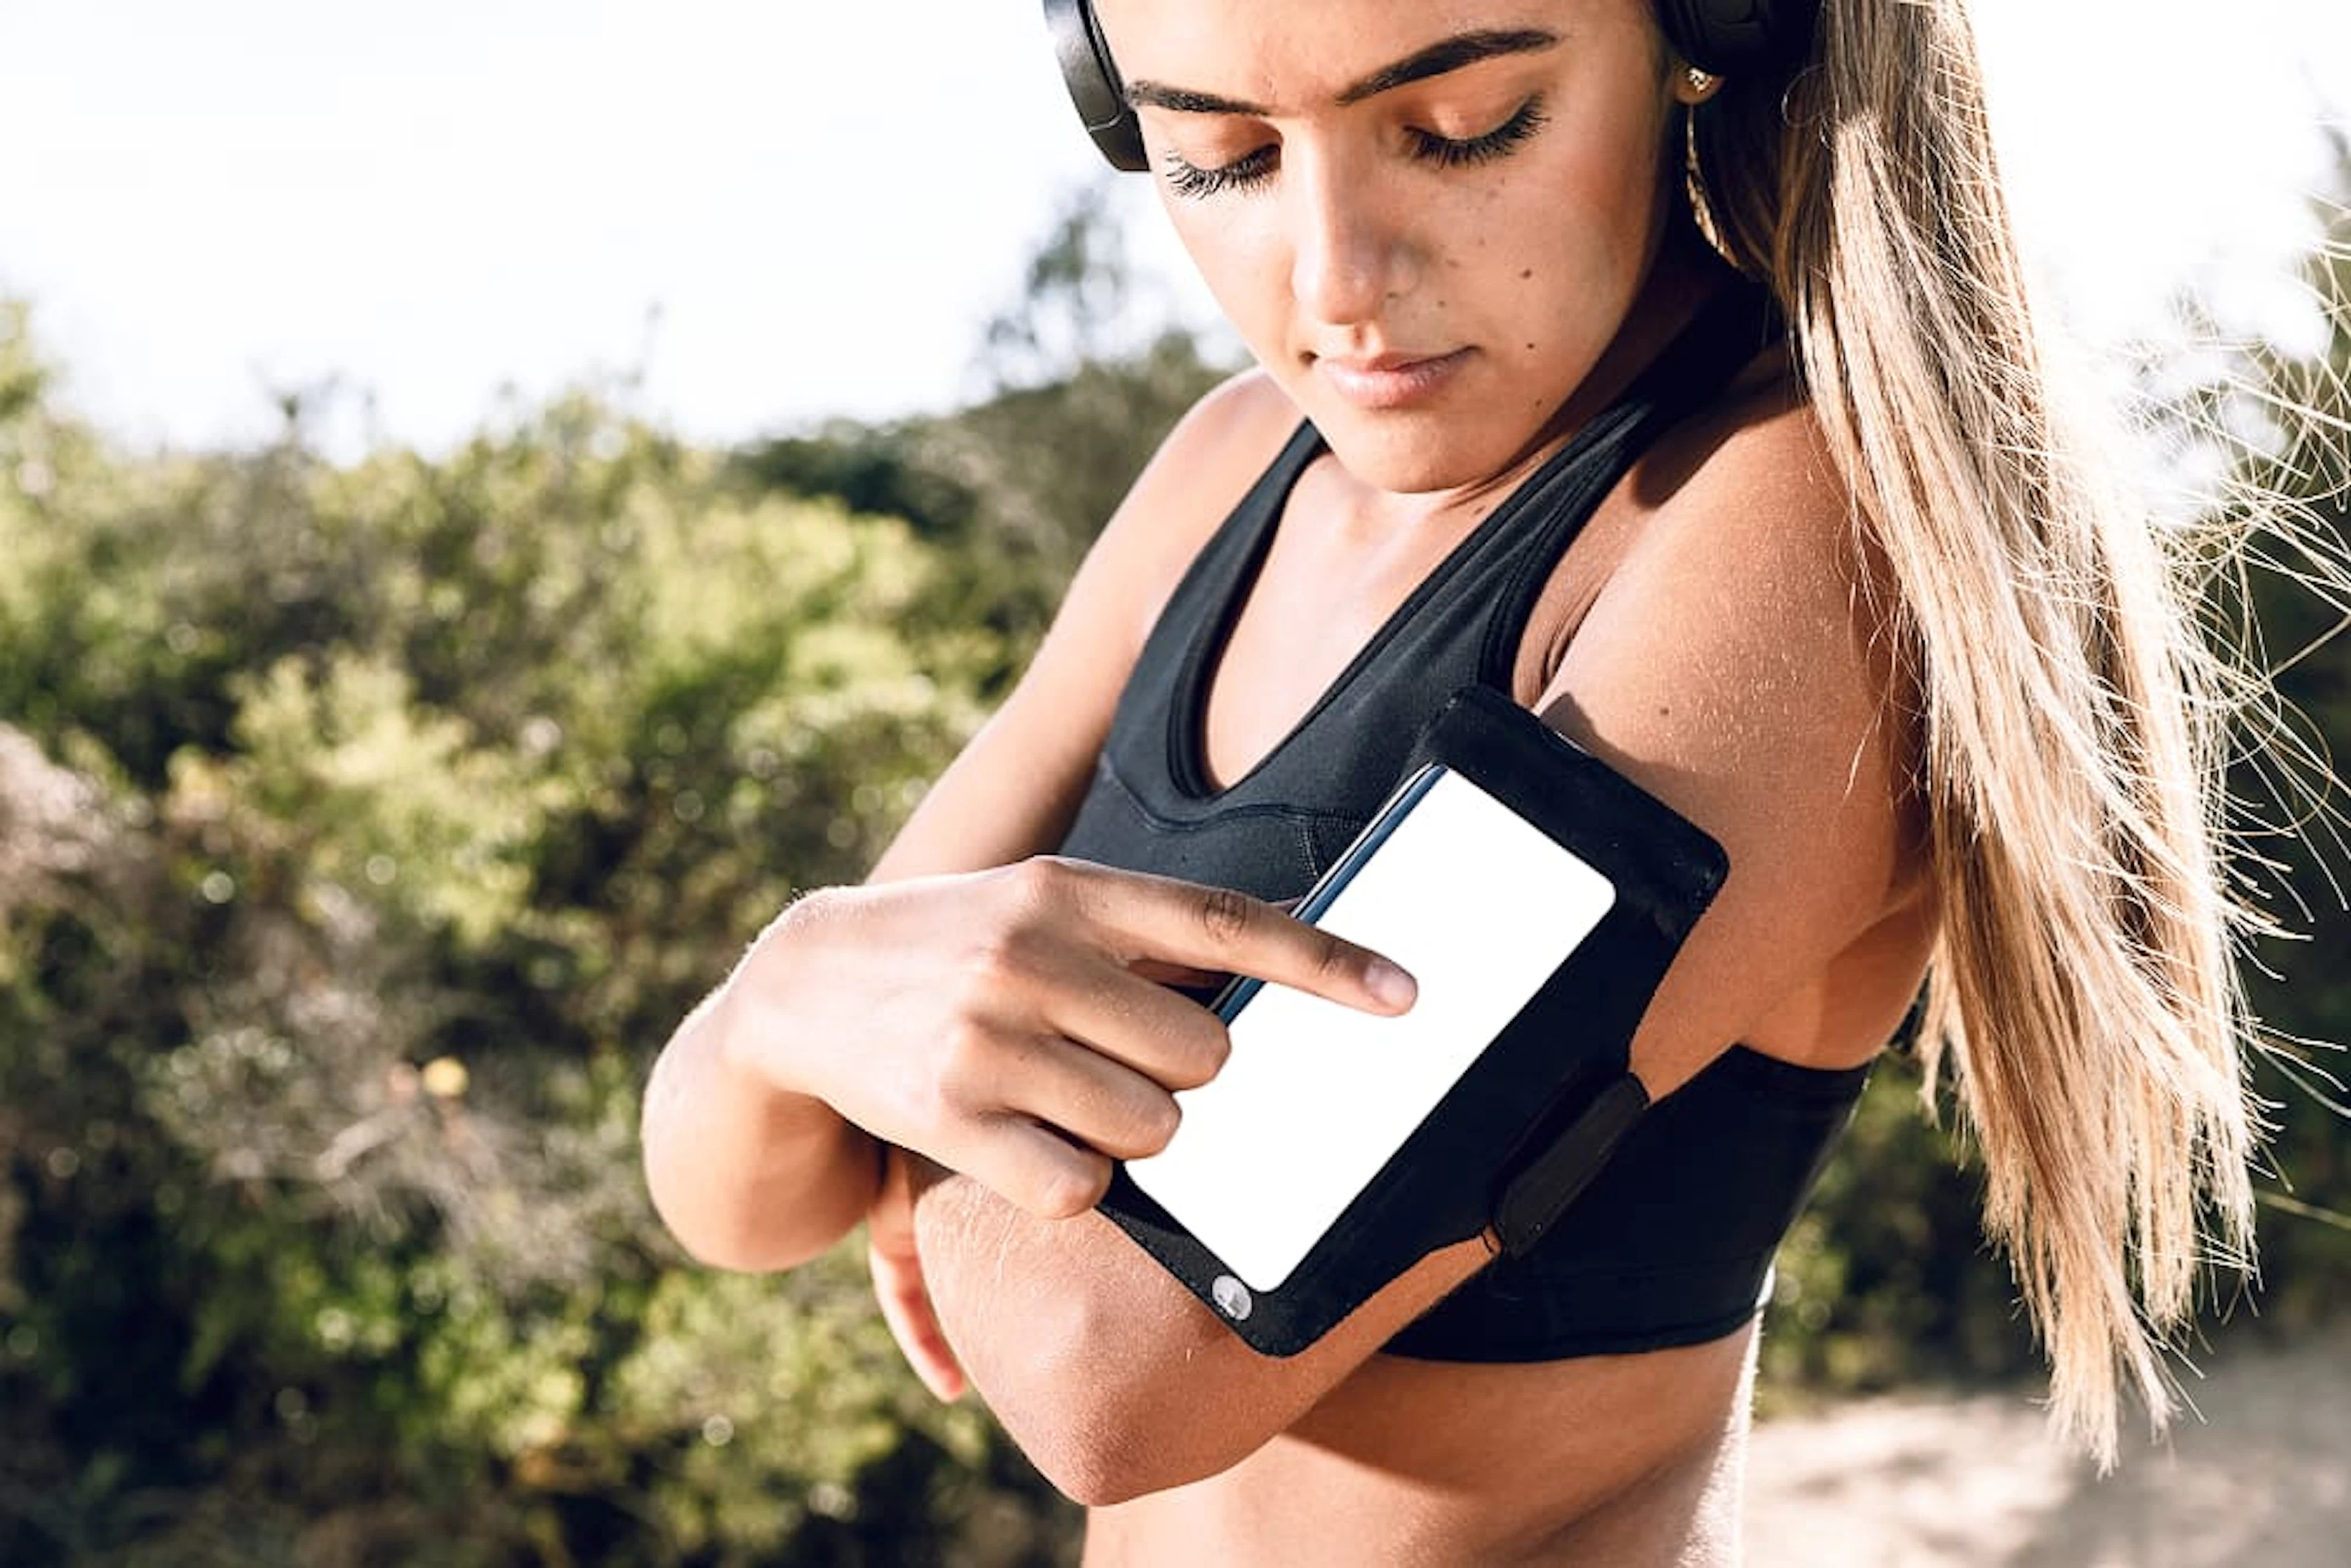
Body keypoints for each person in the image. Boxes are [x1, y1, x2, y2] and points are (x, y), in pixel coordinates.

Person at [641, 0, 2266, 1559]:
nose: (1339, 280)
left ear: (1699, 31)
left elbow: (1110, 1364)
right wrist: (791, 993)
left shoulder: (1793, 534)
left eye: (1461, 127)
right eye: (1216, 156)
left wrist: (895, 1070)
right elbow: (742, 1185)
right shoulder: (1220, 475)